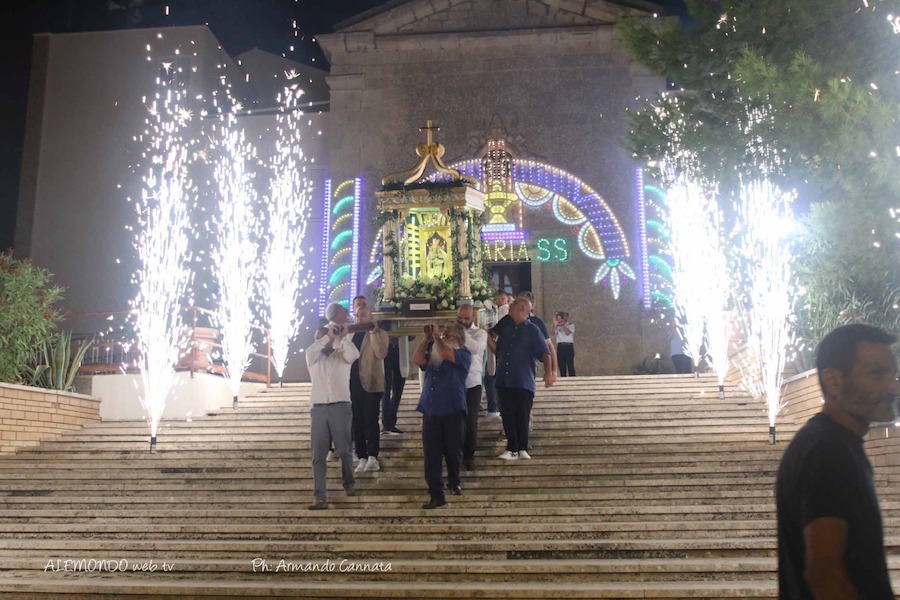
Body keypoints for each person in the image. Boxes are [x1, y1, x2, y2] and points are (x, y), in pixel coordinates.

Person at [776, 323, 899, 599]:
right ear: (834, 381)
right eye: (876, 373)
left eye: (893, 374)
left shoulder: (837, 444)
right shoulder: (827, 451)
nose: (893, 387)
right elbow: (824, 571)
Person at [304, 302, 359, 510]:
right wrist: (326, 335)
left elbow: (354, 355)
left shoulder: (342, 353)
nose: (324, 340)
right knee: (318, 454)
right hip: (319, 406)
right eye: (319, 337)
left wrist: (341, 337)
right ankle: (320, 496)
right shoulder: (313, 357)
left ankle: (348, 482)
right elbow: (311, 351)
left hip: (340, 404)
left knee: (344, 449)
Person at [412, 322, 471, 509]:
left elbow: (447, 353)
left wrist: (437, 336)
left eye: (448, 335)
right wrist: (427, 338)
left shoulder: (463, 354)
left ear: (458, 339)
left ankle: (454, 481)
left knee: (453, 451)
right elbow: (416, 359)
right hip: (431, 409)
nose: (444, 338)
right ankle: (436, 494)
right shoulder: (433, 355)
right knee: (431, 455)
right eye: (443, 335)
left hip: (453, 409)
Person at [487, 298, 555, 460]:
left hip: (523, 380)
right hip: (504, 379)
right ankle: (512, 448)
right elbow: (498, 351)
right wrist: (486, 338)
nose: (509, 308)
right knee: (507, 414)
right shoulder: (507, 329)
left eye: (513, 306)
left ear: (522, 309)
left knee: (522, 414)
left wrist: (549, 371)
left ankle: (522, 447)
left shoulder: (532, 330)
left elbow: (545, 352)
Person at [350, 305, 389, 473]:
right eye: (357, 315)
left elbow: (380, 353)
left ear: (370, 316)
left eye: (363, 315)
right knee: (356, 421)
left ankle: (373, 455)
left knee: (370, 419)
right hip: (353, 383)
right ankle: (361, 456)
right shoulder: (350, 334)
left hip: (372, 382)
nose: (359, 318)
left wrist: (373, 332)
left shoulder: (381, 334)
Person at [458, 304, 487, 472]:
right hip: (455, 383)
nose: (463, 321)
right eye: (460, 318)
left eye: (466, 318)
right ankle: (456, 454)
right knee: (455, 420)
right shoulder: (451, 333)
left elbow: (476, 349)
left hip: (472, 382)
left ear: (473, 317)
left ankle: (469, 456)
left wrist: (461, 333)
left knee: (470, 420)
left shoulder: (480, 333)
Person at [483, 291, 510, 419]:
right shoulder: (498, 311)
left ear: (503, 299)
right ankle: (494, 407)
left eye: (497, 298)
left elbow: (495, 329)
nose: (495, 301)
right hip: (492, 348)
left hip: (497, 347)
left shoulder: (504, 312)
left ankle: (494, 408)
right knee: (490, 377)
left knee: (491, 378)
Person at [381, 335, 410, 435]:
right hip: (386, 350)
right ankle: (386, 424)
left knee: (398, 389)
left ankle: (391, 422)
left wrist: (410, 333)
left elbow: (410, 336)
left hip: (399, 349)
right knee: (385, 388)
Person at [553, 311, 575, 376]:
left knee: (570, 365)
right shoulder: (557, 326)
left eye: (563, 316)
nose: (562, 318)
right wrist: (555, 325)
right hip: (560, 346)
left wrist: (562, 325)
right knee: (561, 366)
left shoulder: (571, 325)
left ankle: (573, 380)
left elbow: (568, 333)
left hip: (568, 346)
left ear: (567, 317)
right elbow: (553, 333)